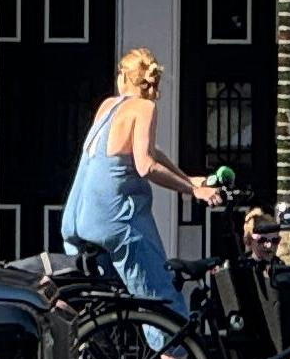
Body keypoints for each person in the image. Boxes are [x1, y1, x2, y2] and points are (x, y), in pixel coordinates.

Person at [63, 47, 221, 312]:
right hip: (115, 222)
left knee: (104, 303)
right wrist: (194, 192)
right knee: (163, 304)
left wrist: (190, 180)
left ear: (123, 77)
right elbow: (146, 165)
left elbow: (150, 151)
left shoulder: (107, 107)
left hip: (78, 221)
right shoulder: (144, 107)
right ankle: (178, 353)